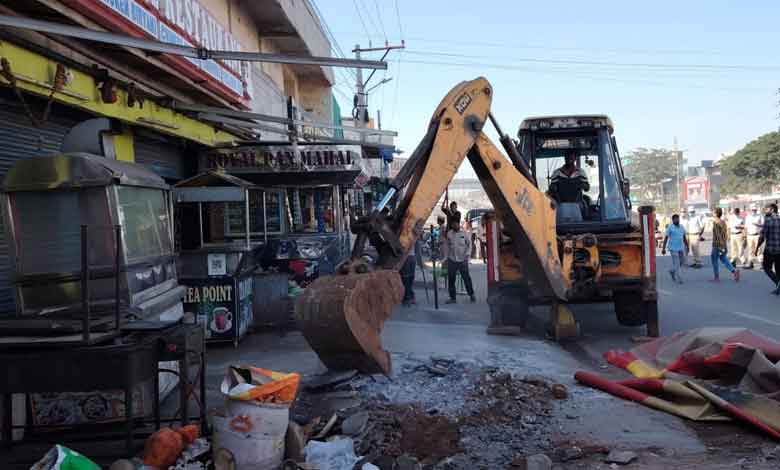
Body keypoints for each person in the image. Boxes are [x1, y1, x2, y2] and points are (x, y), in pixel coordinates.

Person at [445, 220, 475, 303]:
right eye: (453, 224)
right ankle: (452, 298)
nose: (455, 225)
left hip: (462, 260)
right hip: (452, 260)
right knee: (451, 280)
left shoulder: (464, 233)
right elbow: (447, 246)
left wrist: (467, 255)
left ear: (458, 224)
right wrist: (446, 258)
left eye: (456, 224)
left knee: (466, 278)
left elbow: (469, 244)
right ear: (451, 225)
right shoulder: (449, 234)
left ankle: (471, 294)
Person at [754, 203, 780, 295]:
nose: (765, 210)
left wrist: (757, 248)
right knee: (778, 269)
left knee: (766, 268)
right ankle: (778, 287)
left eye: (767, 209)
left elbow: (762, 237)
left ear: (772, 210)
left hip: (770, 249)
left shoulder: (768, 220)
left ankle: (778, 284)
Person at [711, 207, 740, 282]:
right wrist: (724, 244)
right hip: (723, 243)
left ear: (716, 214)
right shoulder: (723, 222)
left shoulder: (715, 222)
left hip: (717, 245)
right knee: (723, 259)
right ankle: (734, 271)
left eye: (713, 212)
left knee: (714, 260)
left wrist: (721, 246)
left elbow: (718, 235)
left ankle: (716, 277)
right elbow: (725, 234)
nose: (712, 213)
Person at [662, 214, 688, 284]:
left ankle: (672, 271)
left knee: (682, 262)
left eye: (678, 219)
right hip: (673, 248)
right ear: (673, 220)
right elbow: (666, 238)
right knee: (676, 263)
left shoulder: (682, 227)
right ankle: (680, 279)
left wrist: (687, 246)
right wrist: (663, 248)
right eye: (675, 219)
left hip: (681, 247)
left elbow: (684, 237)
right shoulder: (670, 227)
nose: (677, 220)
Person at [745, 203, 765, 269]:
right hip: (749, 235)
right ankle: (751, 263)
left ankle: (762, 264)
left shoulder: (760, 216)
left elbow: (763, 225)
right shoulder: (748, 217)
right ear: (750, 210)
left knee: (759, 250)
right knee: (750, 250)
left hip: (757, 235)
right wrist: (745, 236)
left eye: (755, 210)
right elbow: (746, 227)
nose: (754, 211)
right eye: (752, 210)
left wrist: (758, 224)